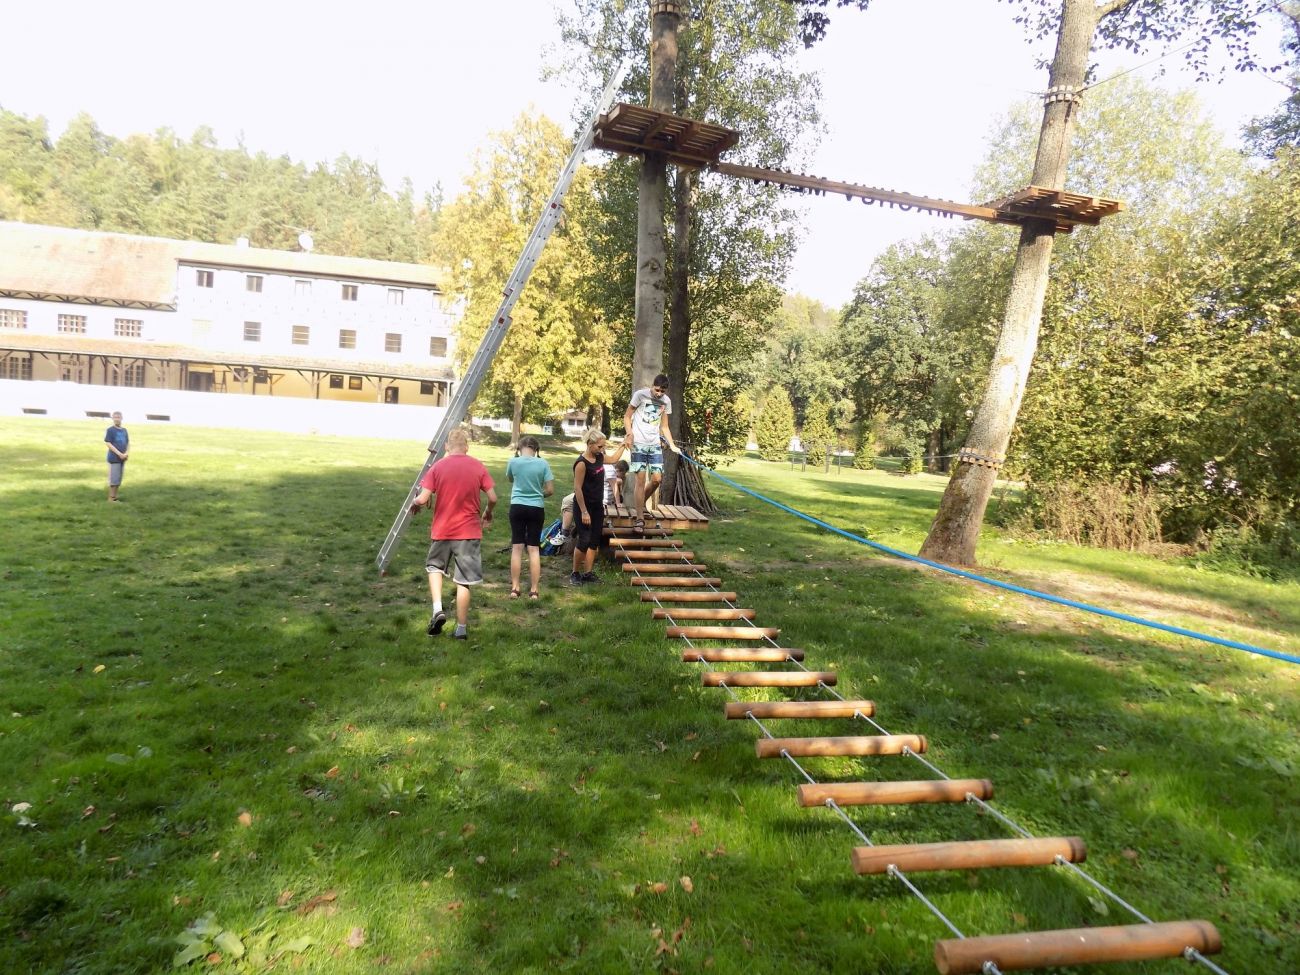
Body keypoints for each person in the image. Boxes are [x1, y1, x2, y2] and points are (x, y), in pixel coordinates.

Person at [409, 427, 497, 640]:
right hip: (468, 531)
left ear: (447, 446)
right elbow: (493, 497)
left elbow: (423, 498)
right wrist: (487, 512)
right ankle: (461, 630)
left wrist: (415, 502)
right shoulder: (477, 466)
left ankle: (437, 609)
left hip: (443, 529)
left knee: (434, 567)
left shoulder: (438, 466)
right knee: (463, 581)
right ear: (467, 447)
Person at [569, 429, 627, 585]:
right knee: (584, 540)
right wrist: (584, 512)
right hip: (583, 507)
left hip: (597, 506)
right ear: (590, 444)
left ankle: (588, 573)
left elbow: (614, 459)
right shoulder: (581, 463)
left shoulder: (600, 458)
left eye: (603, 446)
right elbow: (577, 489)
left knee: (594, 541)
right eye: (600, 446)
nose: (602, 449)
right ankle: (575, 573)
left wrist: (623, 444)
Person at [623, 374, 680, 531]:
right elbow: (627, 417)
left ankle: (640, 504)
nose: (659, 393)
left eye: (662, 391)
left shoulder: (666, 401)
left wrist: (672, 444)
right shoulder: (640, 395)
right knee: (640, 481)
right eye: (657, 390)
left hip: (654, 445)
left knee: (657, 479)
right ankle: (639, 518)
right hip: (638, 444)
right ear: (652, 386)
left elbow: (664, 426)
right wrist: (629, 434)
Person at [505, 435, 554, 600]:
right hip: (536, 508)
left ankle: (515, 588)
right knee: (533, 549)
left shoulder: (513, 462)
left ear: (519, 449)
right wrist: (539, 494)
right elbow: (550, 490)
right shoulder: (543, 463)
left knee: (517, 547)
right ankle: (534, 590)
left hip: (517, 507)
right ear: (536, 449)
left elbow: (510, 479)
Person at [553, 458, 626, 548]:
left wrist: (618, 503)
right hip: (594, 496)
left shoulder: (607, 468)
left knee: (567, 501)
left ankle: (564, 533)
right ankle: (570, 529)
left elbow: (615, 485)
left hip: (597, 499)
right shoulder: (597, 466)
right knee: (571, 499)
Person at [104, 411, 129, 502]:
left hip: (123, 458)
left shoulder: (124, 430)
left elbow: (128, 443)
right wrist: (119, 454)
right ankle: (111, 498)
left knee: (118, 479)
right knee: (114, 479)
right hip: (114, 458)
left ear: (121, 418)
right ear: (112, 418)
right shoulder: (110, 430)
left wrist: (126, 453)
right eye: (115, 417)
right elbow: (108, 443)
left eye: (118, 417)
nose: (117, 419)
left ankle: (115, 497)